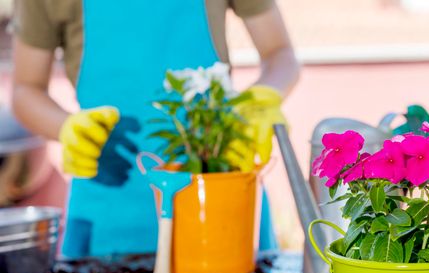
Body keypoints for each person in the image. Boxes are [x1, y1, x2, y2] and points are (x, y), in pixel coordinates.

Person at [11, 0, 300, 257]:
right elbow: (25, 89)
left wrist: (259, 100)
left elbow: (280, 53)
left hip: (218, 198)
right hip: (109, 211)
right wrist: (66, 128)